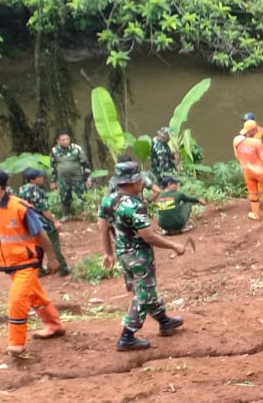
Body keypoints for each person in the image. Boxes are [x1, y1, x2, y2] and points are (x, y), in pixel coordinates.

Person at [0, 167, 64, 356]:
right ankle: (54, 325)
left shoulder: (20, 207)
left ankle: (16, 343)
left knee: (17, 300)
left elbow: (40, 233)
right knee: (34, 296)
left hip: (26, 261)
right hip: (8, 263)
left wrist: (52, 258)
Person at [99, 161, 189, 351]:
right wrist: (174, 246)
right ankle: (127, 336)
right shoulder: (134, 206)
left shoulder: (108, 201)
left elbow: (103, 226)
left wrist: (108, 252)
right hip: (139, 256)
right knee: (143, 296)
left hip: (123, 254)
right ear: (134, 182)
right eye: (140, 178)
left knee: (145, 289)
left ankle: (164, 322)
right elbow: (148, 236)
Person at [16, 168, 71, 276]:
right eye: (39, 177)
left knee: (37, 247)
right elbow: (44, 210)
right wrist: (55, 222)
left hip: (29, 223)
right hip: (43, 223)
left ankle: (39, 270)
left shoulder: (22, 189)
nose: (42, 178)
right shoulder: (37, 191)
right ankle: (62, 268)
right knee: (53, 245)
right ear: (32, 180)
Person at [234, 120, 263, 220]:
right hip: (261, 171)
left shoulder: (237, 141)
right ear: (253, 131)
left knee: (253, 193)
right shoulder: (256, 143)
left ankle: (255, 214)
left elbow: (237, 156)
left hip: (248, 171)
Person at [50, 130, 91, 219]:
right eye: (63, 140)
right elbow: (53, 167)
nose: (66, 142)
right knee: (64, 198)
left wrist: (88, 178)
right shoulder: (54, 151)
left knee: (83, 196)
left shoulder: (76, 149)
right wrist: (53, 181)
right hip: (63, 179)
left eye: (67, 139)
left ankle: (88, 213)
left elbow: (85, 164)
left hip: (77, 178)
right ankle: (66, 215)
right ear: (58, 140)